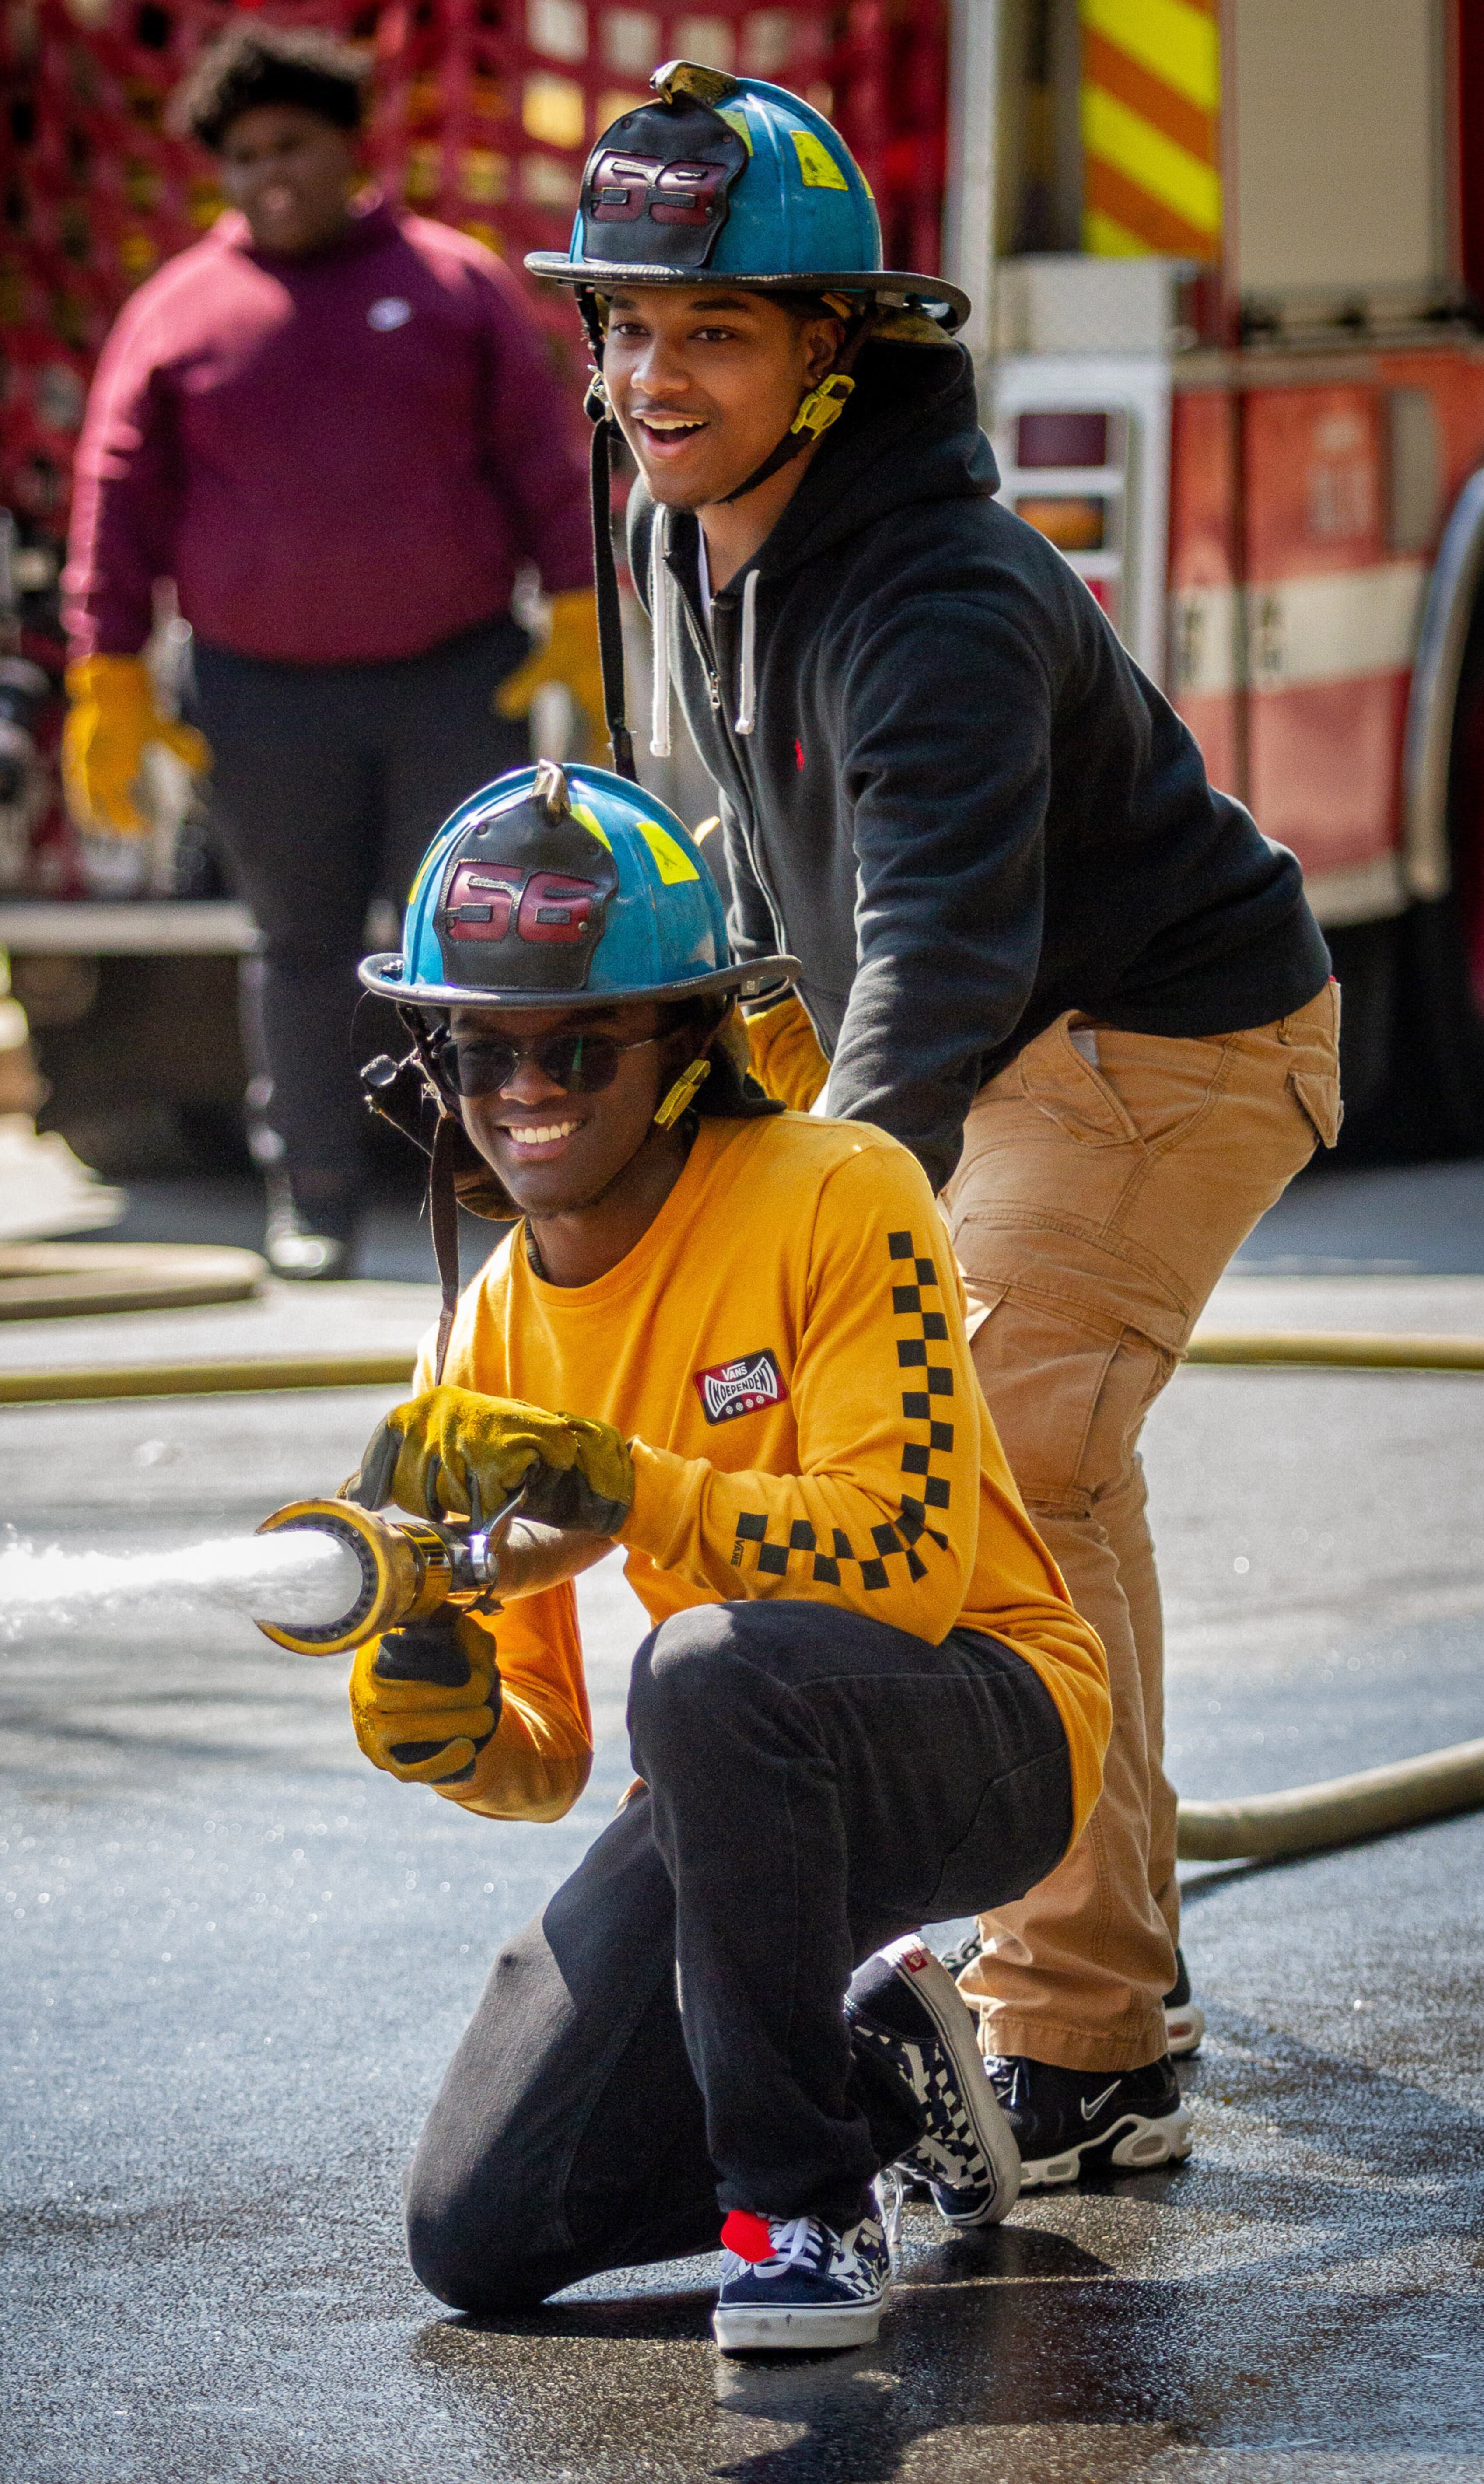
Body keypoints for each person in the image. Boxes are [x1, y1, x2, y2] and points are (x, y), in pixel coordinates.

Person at [523, 61, 1340, 2184]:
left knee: (979, 1442)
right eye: (623, 322)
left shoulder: (944, 601)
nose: (649, 371)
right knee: (1007, 1456)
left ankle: (1081, 2049)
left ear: (832, 352)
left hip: (1155, 1039)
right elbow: (732, 875)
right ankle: (1095, 1950)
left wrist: (814, 1260)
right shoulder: (674, 523)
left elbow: (946, 972)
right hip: (922, 1022)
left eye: (709, 329)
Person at [336, 756, 1110, 2351]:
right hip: (731, 1769)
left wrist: (627, 1488)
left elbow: (900, 1561)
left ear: (688, 1046)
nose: (524, 1089)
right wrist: (454, 1722)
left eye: (579, 1045)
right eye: (485, 1047)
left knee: (701, 1670)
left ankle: (805, 2216)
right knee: (476, 2234)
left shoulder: (842, 1192)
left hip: (988, 1723)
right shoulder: (486, 1325)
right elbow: (549, 1758)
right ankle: (877, 2078)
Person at [62, 24, 602, 1276]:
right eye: (244, 156)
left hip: (456, 681)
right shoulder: (179, 314)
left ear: (349, 145)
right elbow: (117, 497)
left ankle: (503, 1184)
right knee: (298, 947)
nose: (270, 175)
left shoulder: (453, 282)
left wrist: (576, 612)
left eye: (292, 145)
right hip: (261, 698)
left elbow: (539, 459)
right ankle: (311, 1194)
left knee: (484, 946)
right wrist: (112, 671)